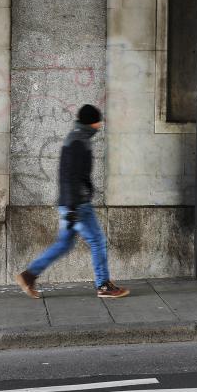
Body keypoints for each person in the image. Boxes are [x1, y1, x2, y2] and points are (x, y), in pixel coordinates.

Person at [16, 104, 130, 299]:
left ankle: (28, 275)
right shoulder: (78, 141)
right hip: (77, 204)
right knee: (97, 241)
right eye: (98, 121)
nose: (100, 124)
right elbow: (69, 175)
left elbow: (76, 174)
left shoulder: (78, 138)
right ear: (91, 122)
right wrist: (72, 207)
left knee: (64, 244)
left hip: (72, 202)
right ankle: (103, 285)